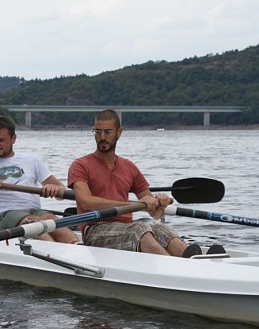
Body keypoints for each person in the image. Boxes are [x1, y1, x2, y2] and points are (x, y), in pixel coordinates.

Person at [68, 109, 222, 257]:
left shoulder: (129, 167)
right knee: (140, 229)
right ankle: (174, 270)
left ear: (119, 132)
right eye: (97, 131)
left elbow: (155, 214)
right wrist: (132, 204)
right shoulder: (81, 165)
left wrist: (159, 203)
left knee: (162, 229)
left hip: (125, 228)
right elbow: (86, 202)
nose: (102, 137)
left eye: (107, 132)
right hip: (95, 230)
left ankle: (197, 263)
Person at [0, 115, 77, 243]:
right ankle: (52, 252)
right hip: (1, 217)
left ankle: (75, 246)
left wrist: (55, 188)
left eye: (1, 140)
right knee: (33, 224)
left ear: (14, 138)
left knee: (51, 219)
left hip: (33, 212)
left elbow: (61, 193)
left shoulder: (32, 160)